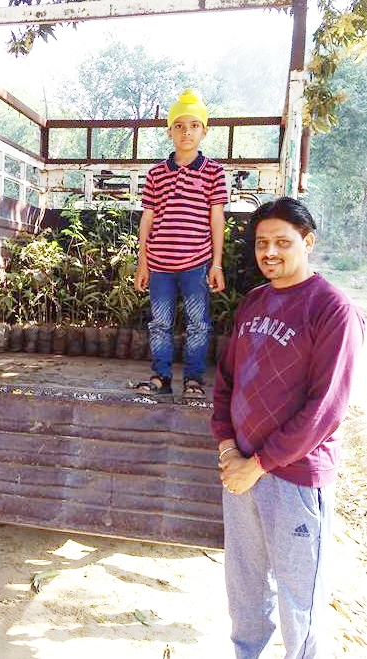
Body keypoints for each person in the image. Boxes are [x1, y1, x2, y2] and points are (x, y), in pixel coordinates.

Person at [212, 197, 365, 658]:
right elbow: (226, 381)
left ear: (308, 242)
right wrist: (228, 449)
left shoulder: (332, 309)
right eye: (262, 243)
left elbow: (326, 408)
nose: (270, 252)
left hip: (295, 478)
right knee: (245, 589)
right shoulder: (254, 302)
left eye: (282, 242)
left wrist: (258, 464)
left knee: (300, 599)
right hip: (241, 471)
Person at [134, 89, 227, 399]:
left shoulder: (213, 172)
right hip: (159, 266)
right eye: (179, 126)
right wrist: (143, 263)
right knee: (160, 323)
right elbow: (147, 219)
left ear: (204, 130)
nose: (187, 132)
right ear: (169, 131)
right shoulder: (156, 174)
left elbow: (217, 219)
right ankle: (161, 377)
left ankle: (194, 380)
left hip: (196, 265)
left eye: (194, 125)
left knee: (198, 324)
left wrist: (216, 264)